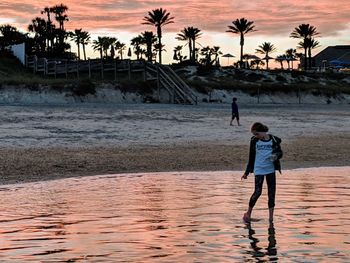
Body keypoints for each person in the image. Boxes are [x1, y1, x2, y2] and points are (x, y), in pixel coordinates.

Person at [241, 122, 283, 223]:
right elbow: (251, 158)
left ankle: (271, 219)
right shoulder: (254, 140)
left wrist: (275, 156)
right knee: (257, 192)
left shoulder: (273, 139)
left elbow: (280, 153)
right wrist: (246, 172)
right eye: (254, 134)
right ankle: (248, 214)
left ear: (262, 132)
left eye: (257, 134)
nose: (256, 136)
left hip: (270, 170)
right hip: (258, 169)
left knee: (271, 194)